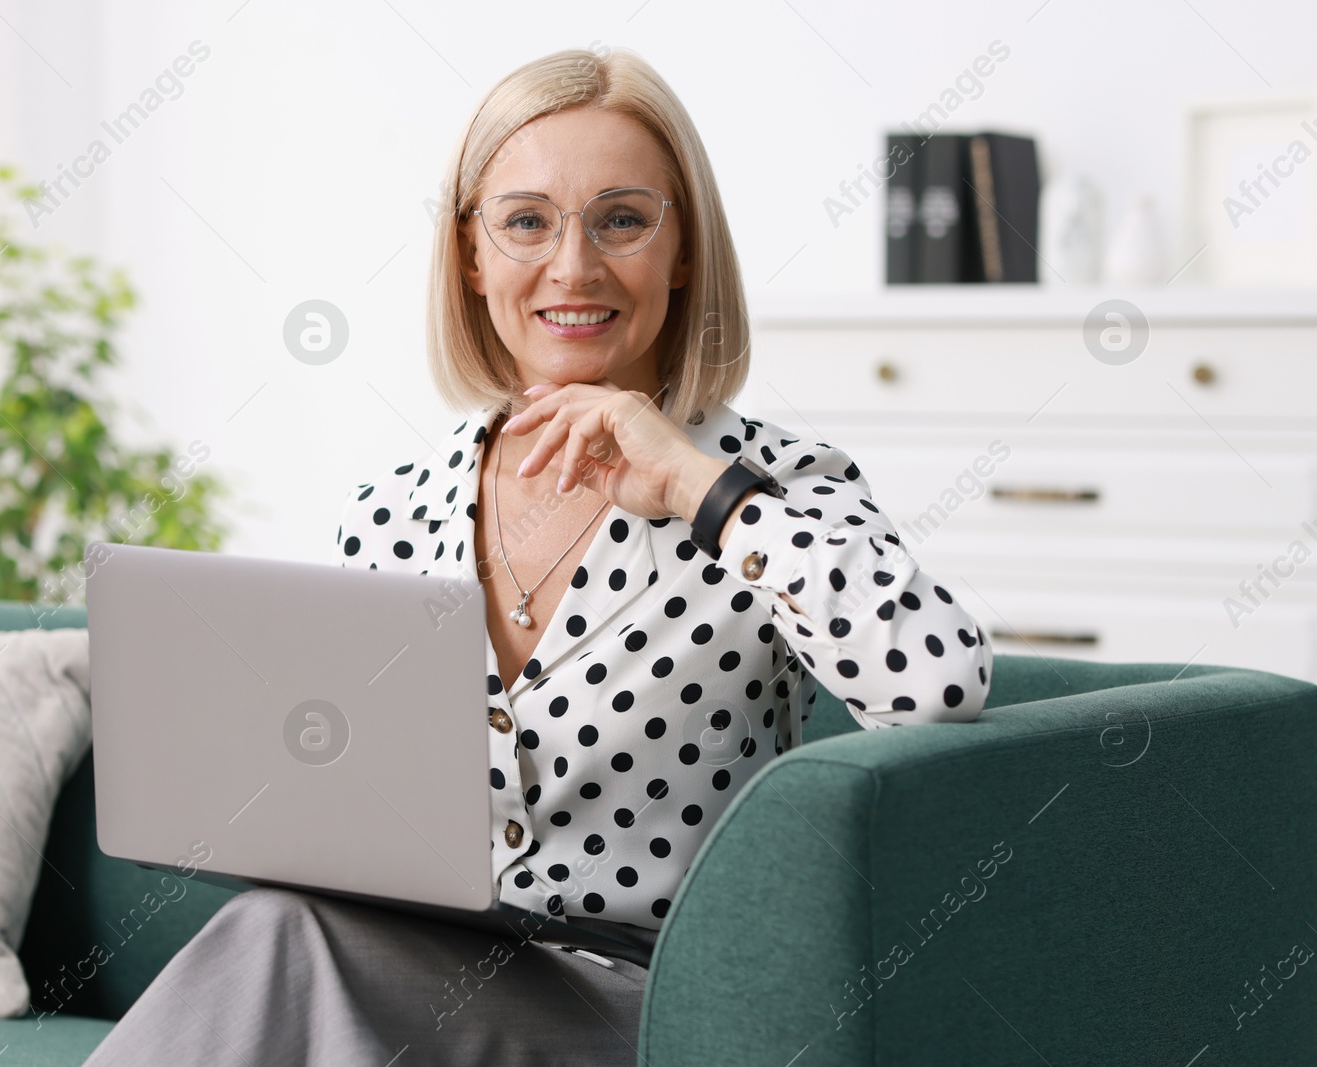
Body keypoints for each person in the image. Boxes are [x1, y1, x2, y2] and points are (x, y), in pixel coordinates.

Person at [82, 45, 992, 1067]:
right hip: (422, 978)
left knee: (287, 950)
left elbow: (938, 684)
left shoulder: (769, 488)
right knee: (289, 927)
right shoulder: (386, 515)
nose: (573, 267)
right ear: (471, 256)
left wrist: (697, 486)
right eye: (525, 222)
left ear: (681, 248)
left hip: (661, 1010)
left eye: (621, 219)